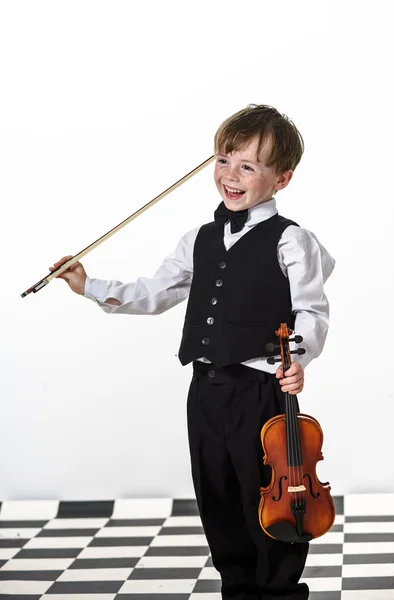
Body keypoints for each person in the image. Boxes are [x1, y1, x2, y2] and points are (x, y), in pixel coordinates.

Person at [50, 104, 335, 600]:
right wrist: (88, 284)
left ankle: (279, 591)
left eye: (249, 166)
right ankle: (238, 589)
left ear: (282, 178)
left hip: (257, 394)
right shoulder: (199, 239)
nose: (231, 174)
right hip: (205, 392)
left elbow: (311, 312)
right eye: (224, 159)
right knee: (218, 497)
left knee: (267, 499)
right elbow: (155, 291)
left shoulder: (291, 240)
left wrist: (297, 359)